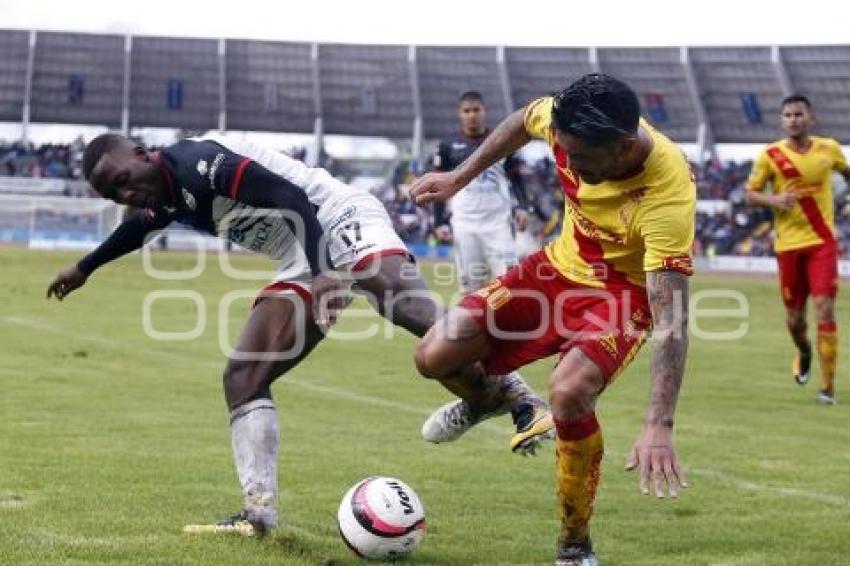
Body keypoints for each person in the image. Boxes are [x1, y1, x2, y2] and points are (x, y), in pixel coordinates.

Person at [46, 132, 553, 537]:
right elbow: (139, 225)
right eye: (113, 193)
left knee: (396, 297)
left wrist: (324, 273)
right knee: (243, 376)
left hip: (334, 214)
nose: (125, 193)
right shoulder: (162, 194)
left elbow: (290, 195)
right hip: (300, 253)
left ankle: (517, 391)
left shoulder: (199, 162)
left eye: (122, 179)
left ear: (140, 152)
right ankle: (258, 513)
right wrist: (86, 267)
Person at [411, 73, 694, 565]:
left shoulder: (667, 192)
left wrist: (659, 424)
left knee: (568, 392)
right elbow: (522, 120)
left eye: (580, 157)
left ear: (624, 147)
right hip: (555, 269)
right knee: (434, 355)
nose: (571, 167)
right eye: (564, 152)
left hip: (623, 295)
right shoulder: (564, 120)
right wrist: (459, 179)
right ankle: (495, 398)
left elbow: (671, 317)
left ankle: (574, 544)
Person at [746, 94, 850, 405]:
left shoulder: (829, 149)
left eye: (798, 114)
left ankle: (827, 386)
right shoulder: (770, 155)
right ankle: (804, 351)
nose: (793, 119)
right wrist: (773, 200)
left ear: (811, 118)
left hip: (822, 243)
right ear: (782, 121)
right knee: (795, 320)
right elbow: (750, 194)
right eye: (788, 115)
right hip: (788, 246)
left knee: (825, 310)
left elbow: (847, 173)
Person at [431, 90, 531, 292]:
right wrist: (439, 221)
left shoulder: (502, 140)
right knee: (470, 287)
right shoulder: (447, 146)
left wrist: (523, 206)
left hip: (498, 224)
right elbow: (437, 185)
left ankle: (506, 323)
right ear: (460, 113)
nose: (472, 115)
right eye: (467, 111)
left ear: (484, 111)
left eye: (476, 110)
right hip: (464, 224)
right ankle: (475, 323)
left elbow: (516, 177)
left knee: (508, 282)